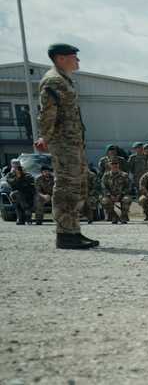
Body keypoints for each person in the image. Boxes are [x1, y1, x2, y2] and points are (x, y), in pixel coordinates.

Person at [33, 43, 98, 249]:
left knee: (76, 186)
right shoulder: (53, 80)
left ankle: (73, 230)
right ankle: (65, 234)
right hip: (63, 143)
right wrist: (45, 136)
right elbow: (47, 112)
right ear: (60, 58)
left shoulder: (65, 80)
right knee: (65, 187)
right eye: (74, 57)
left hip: (72, 143)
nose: (78, 61)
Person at [125, 141, 148, 222]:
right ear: (135, 149)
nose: (140, 149)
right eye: (138, 148)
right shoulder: (133, 158)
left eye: (141, 147)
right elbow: (129, 169)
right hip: (139, 182)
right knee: (142, 199)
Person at [101, 157, 132, 224]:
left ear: (118, 165)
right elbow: (103, 187)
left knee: (127, 199)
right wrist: (109, 195)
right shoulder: (106, 176)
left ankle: (123, 216)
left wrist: (121, 194)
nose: (114, 165)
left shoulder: (124, 175)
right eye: (112, 164)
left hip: (122, 195)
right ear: (110, 165)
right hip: (110, 196)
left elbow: (128, 187)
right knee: (104, 201)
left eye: (116, 163)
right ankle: (114, 216)